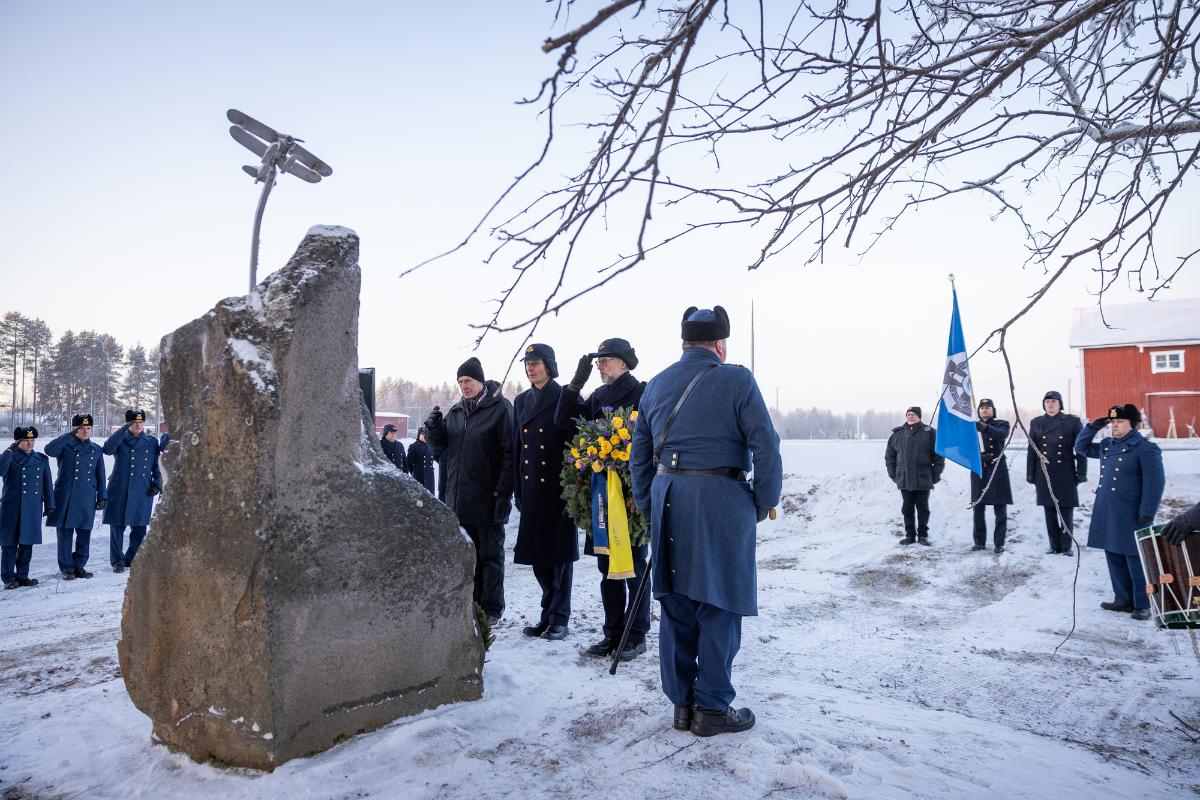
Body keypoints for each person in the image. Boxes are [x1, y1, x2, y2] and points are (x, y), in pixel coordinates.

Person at [631, 305, 782, 736]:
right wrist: (762, 501)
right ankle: (712, 709)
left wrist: (649, 507)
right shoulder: (736, 379)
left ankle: (682, 706)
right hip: (719, 499)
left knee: (676, 602)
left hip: (667, 499)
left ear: (684, 342)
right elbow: (766, 444)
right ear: (720, 344)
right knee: (719, 602)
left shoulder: (657, 384)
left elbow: (639, 456)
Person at [554, 337, 649, 659]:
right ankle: (613, 633)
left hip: (630, 498)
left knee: (634, 567)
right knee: (607, 568)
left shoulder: (642, 392)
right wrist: (575, 383)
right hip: (600, 497)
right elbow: (563, 422)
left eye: (604, 360)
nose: (599, 365)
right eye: (597, 361)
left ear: (623, 362)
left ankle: (635, 635)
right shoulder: (597, 396)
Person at [424, 357, 514, 624]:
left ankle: (492, 607)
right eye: (460, 381)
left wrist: (503, 493)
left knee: (490, 556)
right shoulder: (455, 412)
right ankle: (470, 603)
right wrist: (433, 429)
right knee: (466, 555)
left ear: (481, 381)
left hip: (487, 497)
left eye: (469, 381)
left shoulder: (500, 409)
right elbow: (441, 452)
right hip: (458, 499)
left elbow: (510, 454)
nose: (464, 385)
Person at [512, 344, 579, 641]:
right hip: (531, 489)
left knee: (559, 557)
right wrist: (518, 489)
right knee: (538, 557)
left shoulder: (564, 397)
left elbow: (575, 446)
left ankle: (559, 618)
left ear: (549, 366)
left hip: (558, 490)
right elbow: (518, 446)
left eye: (536, 362)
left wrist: (574, 489)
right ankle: (547, 614)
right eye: (527, 363)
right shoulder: (521, 400)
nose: (530, 367)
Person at [1076, 404, 1164, 621]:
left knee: (1136, 558)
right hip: (1108, 509)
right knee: (1113, 554)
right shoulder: (1107, 445)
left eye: (1120, 422)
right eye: (1113, 422)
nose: (1114, 425)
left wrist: (1147, 512)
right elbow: (1081, 448)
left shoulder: (1145, 448)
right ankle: (1123, 599)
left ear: (1132, 424)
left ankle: (1143, 604)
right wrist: (1091, 428)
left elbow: (1155, 483)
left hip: (1132, 512)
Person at [44, 413, 107, 580]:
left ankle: (79, 566)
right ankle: (66, 568)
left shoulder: (96, 449)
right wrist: (69, 435)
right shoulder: (64, 446)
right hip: (65, 496)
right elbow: (49, 450)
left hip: (86, 497)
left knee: (84, 533)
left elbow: (100, 475)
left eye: (88, 428)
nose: (86, 431)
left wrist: (102, 496)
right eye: (81, 428)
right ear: (73, 429)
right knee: (65, 534)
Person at [103, 409, 166, 572]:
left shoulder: (151, 442)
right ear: (128, 424)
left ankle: (133, 558)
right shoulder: (120, 439)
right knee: (117, 526)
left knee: (139, 527)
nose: (138, 425)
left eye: (141, 422)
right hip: (120, 488)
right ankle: (117, 561)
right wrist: (122, 430)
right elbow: (107, 449)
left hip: (142, 489)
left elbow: (157, 465)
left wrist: (157, 483)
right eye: (134, 422)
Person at [1027, 390, 1086, 555]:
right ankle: (1054, 545)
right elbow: (1032, 449)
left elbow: (1080, 448)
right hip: (1044, 472)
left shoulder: (1072, 422)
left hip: (1065, 471)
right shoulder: (1036, 423)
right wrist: (1030, 472)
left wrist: (1082, 472)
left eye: (1053, 401)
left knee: (1066, 510)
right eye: (1047, 401)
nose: (1050, 404)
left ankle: (1066, 546)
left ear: (1060, 404)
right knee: (1049, 510)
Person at [1, 427, 53, 590]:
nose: (30, 444)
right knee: (9, 544)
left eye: (32, 440)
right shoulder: (9, 457)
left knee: (27, 544)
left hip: (32, 507)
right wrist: (8, 452)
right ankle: (8, 578)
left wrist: (50, 505)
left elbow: (47, 484)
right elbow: (1, 471)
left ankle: (23, 576)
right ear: (17, 442)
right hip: (11, 507)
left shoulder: (41, 459)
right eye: (25, 441)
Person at [885, 407, 945, 545]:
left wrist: (935, 475)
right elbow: (890, 456)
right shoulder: (897, 434)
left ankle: (923, 536)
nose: (910, 417)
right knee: (907, 509)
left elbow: (939, 457)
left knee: (923, 508)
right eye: (908, 414)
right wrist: (893, 475)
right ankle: (910, 535)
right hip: (904, 478)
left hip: (923, 477)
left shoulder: (929, 433)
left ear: (919, 416)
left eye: (913, 414)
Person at [971, 398, 1012, 553]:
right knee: (978, 508)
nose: (985, 410)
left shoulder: (1002, 424)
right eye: (982, 408)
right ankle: (979, 542)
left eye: (988, 407)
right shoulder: (972, 427)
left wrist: (985, 427)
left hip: (997, 469)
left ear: (993, 410)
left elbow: (1001, 435)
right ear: (978, 411)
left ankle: (999, 543)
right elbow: (966, 447)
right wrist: (977, 457)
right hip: (979, 469)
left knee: (1000, 508)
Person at [406, 428, 437, 494]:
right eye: (423, 434)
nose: (425, 436)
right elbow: (409, 463)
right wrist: (414, 472)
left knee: (430, 495)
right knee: (419, 496)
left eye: (426, 434)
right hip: (418, 476)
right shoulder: (414, 446)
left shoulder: (431, 446)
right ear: (419, 435)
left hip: (429, 476)